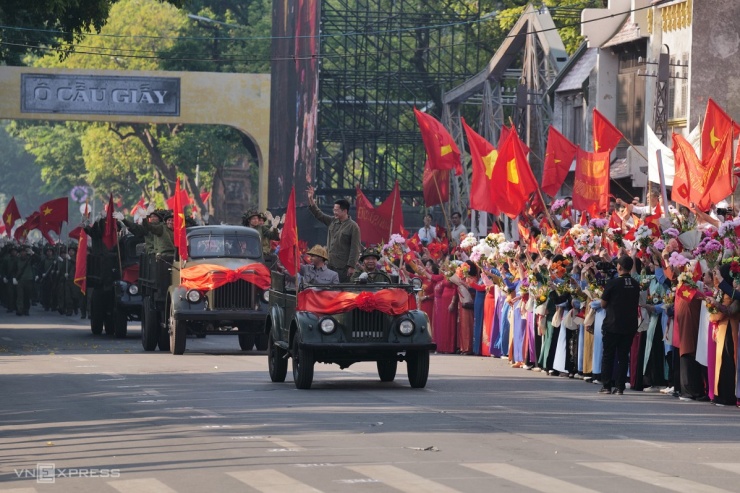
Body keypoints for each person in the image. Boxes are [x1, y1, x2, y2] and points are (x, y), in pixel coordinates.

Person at [597, 255, 641, 395]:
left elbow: (603, 304)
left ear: (619, 267)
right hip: (629, 325)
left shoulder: (613, 283)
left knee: (608, 355)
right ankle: (620, 387)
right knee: (623, 356)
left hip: (612, 324)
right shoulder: (635, 284)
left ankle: (606, 385)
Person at [307, 186, 361, 282]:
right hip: (329, 265)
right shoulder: (332, 221)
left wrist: (351, 266)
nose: (334, 212)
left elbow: (355, 248)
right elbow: (319, 214)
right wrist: (311, 199)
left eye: (337, 210)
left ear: (345, 211)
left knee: (340, 292)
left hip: (343, 268)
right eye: (334, 210)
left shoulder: (353, 226)